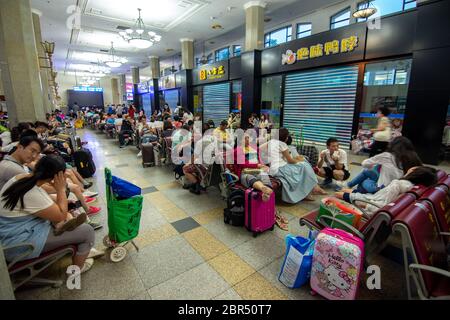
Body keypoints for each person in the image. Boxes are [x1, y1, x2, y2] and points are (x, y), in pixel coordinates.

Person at [0, 155, 96, 273]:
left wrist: (62, 202)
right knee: (87, 232)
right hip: (20, 245)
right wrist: (60, 189)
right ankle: (77, 269)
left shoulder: (20, 178)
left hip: (12, 234)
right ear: (57, 176)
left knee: (62, 211)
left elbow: (41, 201)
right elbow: (59, 214)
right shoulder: (31, 191)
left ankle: (62, 226)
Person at [336, 166, 437, 216]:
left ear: (415, 173)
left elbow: (380, 205)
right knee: (346, 190)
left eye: (412, 170)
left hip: (368, 202)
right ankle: (347, 187)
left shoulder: (398, 184)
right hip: (372, 197)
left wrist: (362, 204)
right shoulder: (410, 186)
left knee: (337, 194)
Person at [261, 128, 326, 203]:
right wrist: (299, 161)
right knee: (305, 166)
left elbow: (260, 148)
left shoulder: (271, 142)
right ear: (286, 137)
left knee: (303, 168)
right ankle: (310, 190)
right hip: (281, 169)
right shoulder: (283, 144)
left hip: (273, 170)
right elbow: (290, 161)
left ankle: (312, 189)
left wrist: (268, 157)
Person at [345, 136, 423, 194]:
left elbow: (364, 163)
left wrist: (374, 165)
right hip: (401, 187)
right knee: (366, 172)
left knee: (364, 182)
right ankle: (349, 185)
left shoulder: (387, 156)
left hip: (384, 189)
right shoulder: (414, 158)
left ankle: (355, 189)